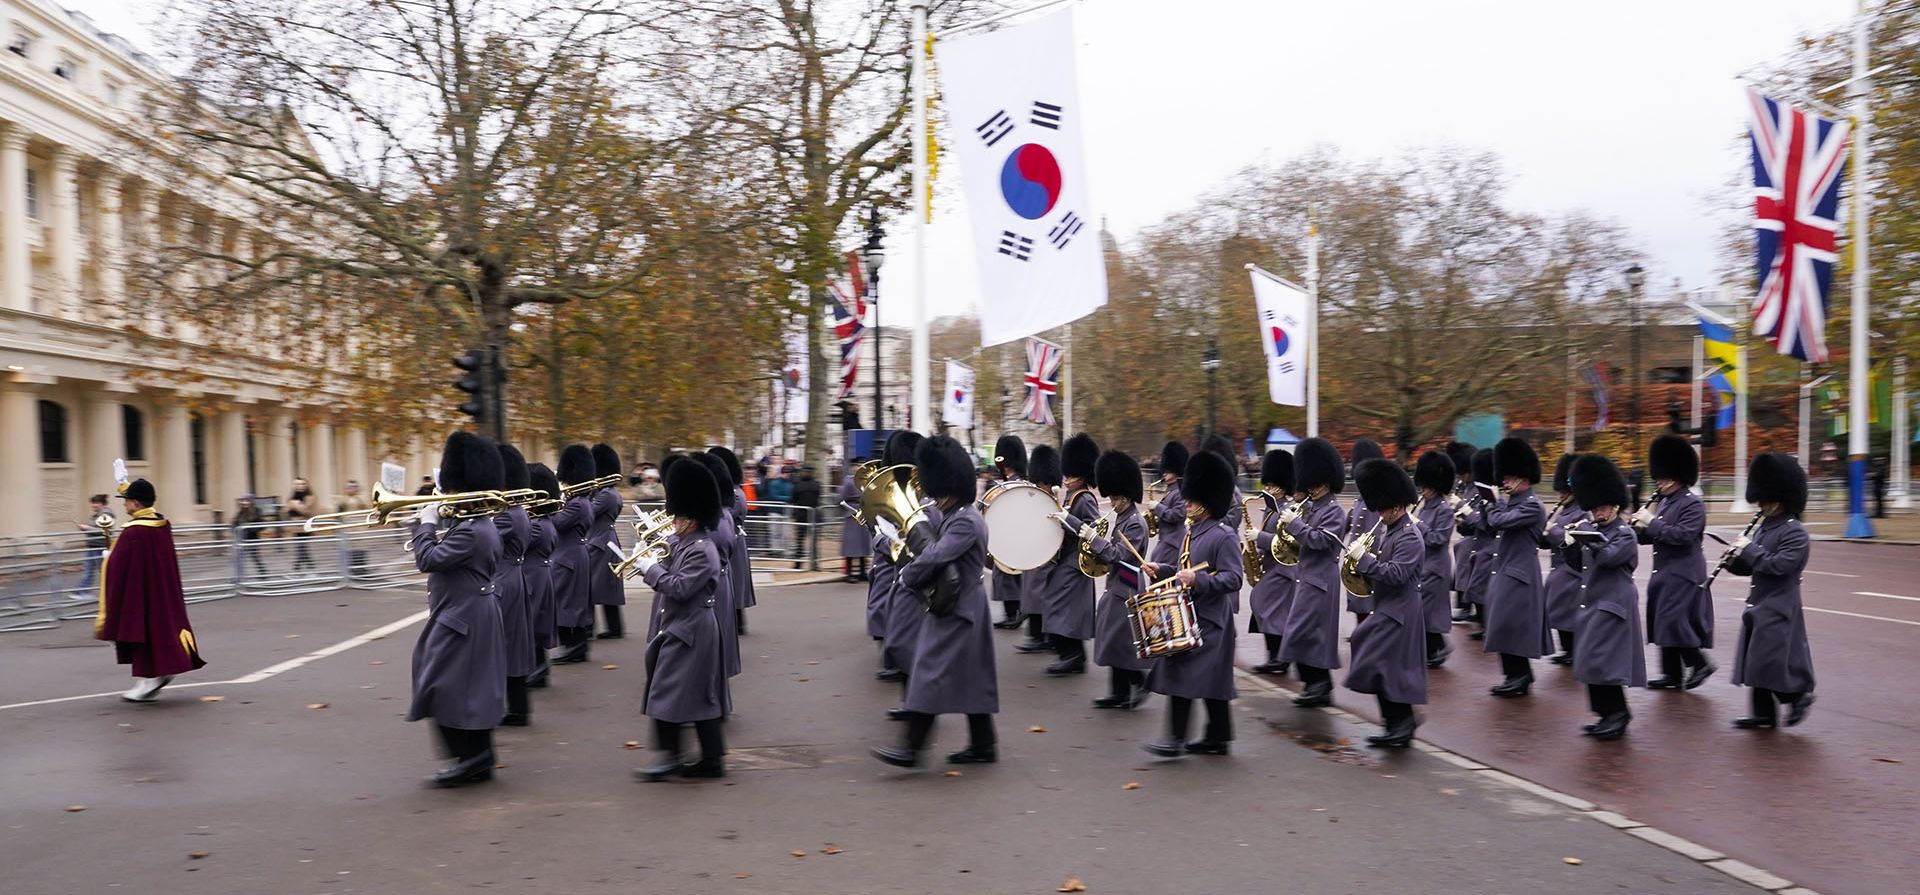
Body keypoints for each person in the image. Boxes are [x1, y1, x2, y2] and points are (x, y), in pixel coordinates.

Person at [872, 436, 998, 768]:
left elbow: (935, 557)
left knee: (928, 672)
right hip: (965, 605)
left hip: (959, 609)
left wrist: (907, 575)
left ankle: (912, 749)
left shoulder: (963, 521)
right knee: (973, 676)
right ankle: (984, 744)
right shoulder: (959, 513)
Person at [407, 431, 507, 787]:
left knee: (444, 684)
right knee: (464, 686)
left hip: (463, 617)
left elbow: (427, 559)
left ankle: (472, 757)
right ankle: (475, 756)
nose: (447, 496)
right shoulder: (474, 526)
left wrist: (426, 522)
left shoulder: (471, 532)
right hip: (463, 613)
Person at [630, 456, 729, 781]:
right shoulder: (686, 542)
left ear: (692, 519)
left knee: (667, 688)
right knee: (697, 694)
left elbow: (680, 587)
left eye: (678, 517)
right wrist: (649, 547)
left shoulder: (702, 549)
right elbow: (669, 549)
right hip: (684, 626)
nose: (673, 521)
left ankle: (671, 755)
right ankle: (712, 760)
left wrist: (649, 569)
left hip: (692, 629)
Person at [1141, 449, 1244, 757]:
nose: (1186, 502)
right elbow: (1184, 569)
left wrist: (1200, 581)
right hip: (1192, 614)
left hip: (1212, 619)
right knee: (1210, 681)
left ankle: (1175, 738)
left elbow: (1234, 579)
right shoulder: (1193, 532)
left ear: (1207, 501)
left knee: (1183, 674)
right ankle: (1218, 737)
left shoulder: (1223, 536)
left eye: (1192, 499)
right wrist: (1162, 570)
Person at [95, 476, 206, 703]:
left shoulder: (133, 532)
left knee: (139, 630)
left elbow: (118, 564)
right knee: (160, 629)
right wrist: (124, 483)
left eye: (127, 500)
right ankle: (159, 673)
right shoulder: (160, 523)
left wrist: (108, 558)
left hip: (140, 593)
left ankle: (149, 678)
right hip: (160, 590)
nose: (124, 505)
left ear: (136, 503)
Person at [1728, 452, 1817, 730]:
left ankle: (1798, 697)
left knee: (1768, 659)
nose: (1762, 505)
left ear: (1782, 498)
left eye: (1767, 500)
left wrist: (1749, 549)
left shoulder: (1795, 533)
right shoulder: (1765, 527)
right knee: (1756, 659)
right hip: (1760, 601)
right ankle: (1764, 714)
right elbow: (1755, 566)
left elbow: (1780, 566)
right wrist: (1733, 560)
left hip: (1780, 604)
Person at [1342, 458, 1426, 747]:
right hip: (1387, 607)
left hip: (1401, 611)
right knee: (1378, 661)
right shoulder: (1389, 529)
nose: (1379, 512)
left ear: (1399, 505)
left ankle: (1402, 723)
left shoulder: (1410, 536)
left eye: (1384, 508)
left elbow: (1397, 574)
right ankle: (1396, 723)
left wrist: (1363, 560)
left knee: (1389, 666)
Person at [1061, 449, 1152, 709]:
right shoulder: (1123, 517)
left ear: (1126, 496)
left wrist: (1092, 537)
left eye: (1115, 498)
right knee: (1113, 639)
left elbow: (1119, 555)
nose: (1111, 502)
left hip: (1129, 586)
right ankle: (1119, 692)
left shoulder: (1135, 523)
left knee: (1119, 639)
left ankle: (1139, 682)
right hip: (1117, 583)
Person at [1562, 453, 1644, 741]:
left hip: (1614, 603)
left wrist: (1589, 538)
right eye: (1595, 508)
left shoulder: (1624, 533)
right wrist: (1569, 544)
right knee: (1589, 661)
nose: (1598, 512)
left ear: (1615, 505)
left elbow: (1609, 557)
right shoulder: (1594, 530)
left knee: (1604, 663)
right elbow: (1578, 566)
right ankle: (1604, 714)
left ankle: (1618, 713)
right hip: (1593, 601)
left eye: (1603, 507)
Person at [1466, 437, 1550, 697]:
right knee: (1502, 624)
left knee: (1511, 625)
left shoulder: (1532, 505)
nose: (1503, 481)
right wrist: (1484, 503)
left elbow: (1502, 521)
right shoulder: (1510, 502)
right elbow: (1490, 524)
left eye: (1507, 477)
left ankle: (1520, 675)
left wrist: (1492, 504)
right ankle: (1514, 674)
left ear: (1521, 478)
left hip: (1520, 573)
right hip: (1505, 569)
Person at [1636, 435, 1716, 690]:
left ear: (1676, 476)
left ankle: (1700, 663)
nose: (1657, 482)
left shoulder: (1692, 504)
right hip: (1665, 570)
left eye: (1661, 477)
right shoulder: (1666, 502)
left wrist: (1652, 522)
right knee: (1661, 619)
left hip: (1684, 571)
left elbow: (1682, 536)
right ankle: (1672, 675)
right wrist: (1638, 529)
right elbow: (1656, 536)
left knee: (1673, 620)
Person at [1277, 437, 1348, 707]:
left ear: (1326, 483)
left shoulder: (1335, 512)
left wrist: (1295, 525)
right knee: (1303, 633)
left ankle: (1320, 684)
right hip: (1306, 576)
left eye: (1316, 484)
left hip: (1321, 579)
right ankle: (1315, 684)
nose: (1312, 488)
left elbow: (1321, 541)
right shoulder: (1311, 507)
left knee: (1305, 632)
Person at [1036, 433, 1101, 676]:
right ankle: (1070, 653)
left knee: (1063, 607)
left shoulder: (1084, 498)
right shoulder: (1074, 496)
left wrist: (1067, 519)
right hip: (1066, 558)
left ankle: (1073, 655)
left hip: (1076, 562)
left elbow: (1095, 528)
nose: (1066, 479)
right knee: (1058, 605)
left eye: (1070, 475)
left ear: (1080, 475)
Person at [875, 432, 933, 701]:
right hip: (906, 579)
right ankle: (912, 701)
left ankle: (916, 706)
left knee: (913, 643)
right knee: (902, 640)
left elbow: (925, 549)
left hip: (921, 585)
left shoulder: (929, 505)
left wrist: (887, 544)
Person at [690, 452, 743, 687]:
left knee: (712, 652)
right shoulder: (714, 516)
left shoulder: (718, 521)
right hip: (711, 584)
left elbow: (695, 556)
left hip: (711, 588)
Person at [493, 445, 536, 726]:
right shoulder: (517, 510)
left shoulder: (506, 515)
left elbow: (481, 541)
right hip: (513, 577)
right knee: (514, 645)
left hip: (502, 580)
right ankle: (518, 707)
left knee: (501, 645)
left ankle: (510, 708)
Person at [1247, 450, 1296, 675]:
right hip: (1270, 567)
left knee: (1269, 609)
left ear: (1282, 487)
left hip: (1283, 569)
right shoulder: (1271, 508)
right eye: (1267, 485)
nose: (1267, 489)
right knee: (1264, 607)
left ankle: (1280, 657)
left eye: (1272, 485)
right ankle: (1275, 656)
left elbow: (1286, 542)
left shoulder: (1288, 510)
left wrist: (1261, 538)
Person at [549, 444, 597, 664]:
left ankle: (576, 648)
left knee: (568, 603)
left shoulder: (577, 503)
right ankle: (574, 646)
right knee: (570, 603)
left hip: (569, 556)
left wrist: (546, 508)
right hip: (572, 554)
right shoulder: (578, 501)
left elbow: (557, 523)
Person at [1014, 445, 1062, 655]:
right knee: (1031, 592)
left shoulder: (1055, 497)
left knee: (1039, 595)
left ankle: (1043, 636)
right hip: (1035, 550)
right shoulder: (1037, 494)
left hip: (1048, 555)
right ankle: (1035, 634)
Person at [1411, 450, 1456, 667]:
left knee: (1428, 610)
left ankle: (1438, 648)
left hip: (1437, 566)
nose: (1423, 490)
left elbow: (1438, 538)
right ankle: (1433, 649)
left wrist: (1416, 524)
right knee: (1422, 609)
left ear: (1436, 486)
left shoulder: (1444, 510)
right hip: (1423, 565)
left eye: (1426, 487)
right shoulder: (1424, 507)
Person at [1541, 454, 1583, 666]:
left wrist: (1552, 531)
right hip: (1559, 567)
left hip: (1572, 569)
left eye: (1565, 492)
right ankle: (1567, 649)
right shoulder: (1563, 509)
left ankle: (1574, 649)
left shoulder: (1582, 511)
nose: (1561, 495)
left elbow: (1572, 538)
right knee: (1557, 610)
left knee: (1568, 611)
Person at [709, 446, 757, 634]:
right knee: (734, 581)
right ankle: (736, 623)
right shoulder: (733, 491)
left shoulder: (734, 495)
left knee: (733, 582)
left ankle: (737, 624)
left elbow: (723, 517)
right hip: (733, 541)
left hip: (732, 543)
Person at [523, 463, 561, 689]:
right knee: (535, 624)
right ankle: (540, 668)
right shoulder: (542, 521)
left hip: (531, 576)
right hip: (537, 574)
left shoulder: (536, 526)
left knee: (531, 625)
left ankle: (537, 669)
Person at [1340, 438, 1386, 623]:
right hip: (1357, 561)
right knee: (1360, 602)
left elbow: (1377, 534)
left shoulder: (1377, 500)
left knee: (1369, 605)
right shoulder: (1361, 499)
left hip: (1369, 560)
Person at [1455, 449, 1497, 639]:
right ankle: (1483, 624)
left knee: (1483, 589)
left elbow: (1487, 523)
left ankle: (1488, 626)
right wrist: (1463, 521)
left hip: (1489, 548)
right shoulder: (1481, 493)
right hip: (1477, 547)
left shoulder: (1492, 496)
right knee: (1476, 587)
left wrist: (1466, 513)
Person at [988, 435, 1028, 628]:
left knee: (1010, 576)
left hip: (1014, 535)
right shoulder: (1005, 481)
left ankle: (1015, 614)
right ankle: (1011, 613)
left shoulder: (1017, 483)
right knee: (1003, 576)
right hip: (1004, 534)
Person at [588, 444, 627, 640]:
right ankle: (614, 628)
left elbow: (588, 514)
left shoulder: (605, 494)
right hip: (604, 540)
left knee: (592, 588)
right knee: (606, 587)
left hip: (600, 542)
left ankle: (590, 628)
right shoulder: (606, 492)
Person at [1444, 441, 1479, 623]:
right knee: (1461, 570)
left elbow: (1476, 514)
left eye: (1464, 473)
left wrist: (1462, 510)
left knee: (1466, 572)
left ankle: (1467, 606)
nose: (1462, 477)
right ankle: (1463, 605)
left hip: (1476, 537)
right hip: (1465, 535)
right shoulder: (1463, 486)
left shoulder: (1478, 488)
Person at [1148, 440, 1191, 573]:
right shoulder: (1171, 491)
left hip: (1173, 543)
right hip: (1165, 540)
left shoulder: (1179, 492)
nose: (1164, 473)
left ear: (1176, 470)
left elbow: (1178, 515)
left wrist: (1157, 507)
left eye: (1167, 471)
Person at [839, 457, 871, 582]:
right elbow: (840, 498)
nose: (859, 468)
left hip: (863, 513)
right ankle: (849, 573)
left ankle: (863, 571)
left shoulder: (866, 481)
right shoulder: (848, 481)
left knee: (863, 546)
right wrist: (846, 511)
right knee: (851, 546)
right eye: (857, 466)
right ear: (853, 467)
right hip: (851, 513)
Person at [76, 494, 110, 596]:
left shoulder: (106, 514)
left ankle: (111, 592)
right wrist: (84, 528)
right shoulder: (96, 515)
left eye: (96, 503)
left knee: (104, 571)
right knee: (89, 570)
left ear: (102, 504)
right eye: (92, 503)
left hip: (100, 547)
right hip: (92, 546)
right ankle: (81, 592)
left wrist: (87, 528)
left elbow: (104, 530)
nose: (93, 506)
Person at [231, 494, 269, 578]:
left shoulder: (257, 511)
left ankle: (263, 573)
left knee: (255, 556)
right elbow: (234, 523)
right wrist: (234, 528)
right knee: (238, 558)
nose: (244, 502)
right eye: (243, 500)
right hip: (242, 539)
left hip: (253, 538)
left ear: (251, 502)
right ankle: (238, 576)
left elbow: (263, 525)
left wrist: (251, 529)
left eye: (246, 500)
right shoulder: (240, 513)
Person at [286, 477, 318, 573]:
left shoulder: (309, 496)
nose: (300, 486)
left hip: (305, 525)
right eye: (297, 484)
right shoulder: (293, 497)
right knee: (301, 546)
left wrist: (295, 505)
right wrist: (295, 505)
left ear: (306, 485)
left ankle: (298, 566)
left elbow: (306, 511)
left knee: (302, 545)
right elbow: (286, 510)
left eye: (302, 484)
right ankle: (308, 564)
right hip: (296, 526)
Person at [791, 464, 822, 562]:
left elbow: (794, 499)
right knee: (813, 540)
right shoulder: (816, 485)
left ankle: (798, 561)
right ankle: (814, 561)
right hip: (813, 514)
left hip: (801, 515)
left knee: (800, 539)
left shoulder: (798, 485)